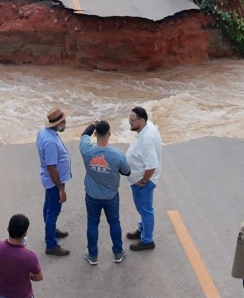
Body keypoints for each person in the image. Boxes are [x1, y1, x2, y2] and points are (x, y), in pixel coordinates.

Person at [79, 120, 131, 265]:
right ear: (109, 134)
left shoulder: (86, 150)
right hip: (111, 196)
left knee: (92, 223)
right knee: (114, 222)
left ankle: (92, 255)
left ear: (95, 134)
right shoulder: (117, 155)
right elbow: (127, 171)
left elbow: (84, 135)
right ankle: (118, 252)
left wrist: (93, 125)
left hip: (91, 195)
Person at [0, 214, 43, 298]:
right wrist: (28, 275)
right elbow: (39, 277)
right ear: (25, 233)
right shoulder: (30, 256)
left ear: (8, 228)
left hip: (0, 296)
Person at [125, 105, 162, 250]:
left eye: (132, 121)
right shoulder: (148, 127)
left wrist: (144, 181)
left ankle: (147, 241)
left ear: (141, 120)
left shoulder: (146, 140)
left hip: (143, 182)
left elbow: (151, 165)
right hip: (141, 179)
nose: (130, 123)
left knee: (145, 210)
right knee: (143, 209)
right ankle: (142, 229)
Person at [37, 108, 72, 256]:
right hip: (54, 180)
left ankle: (50, 230)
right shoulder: (50, 142)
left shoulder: (44, 132)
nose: (65, 122)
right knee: (53, 211)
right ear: (57, 123)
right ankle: (51, 244)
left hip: (48, 178)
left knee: (48, 205)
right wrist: (61, 189)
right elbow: (52, 168)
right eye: (63, 121)